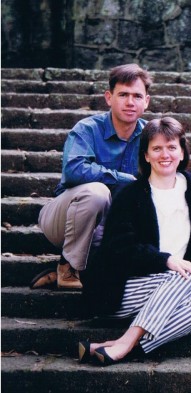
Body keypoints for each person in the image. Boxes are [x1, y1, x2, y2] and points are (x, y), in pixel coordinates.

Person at [78, 117, 191, 365]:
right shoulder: (130, 193)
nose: (165, 154)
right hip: (122, 288)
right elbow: (118, 249)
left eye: (172, 147)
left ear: (182, 152)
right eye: (157, 148)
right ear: (146, 155)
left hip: (172, 290)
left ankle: (117, 347)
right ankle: (126, 343)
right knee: (181, 275)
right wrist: (167, 261)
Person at [32, 64, 152, 290]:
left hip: (112, 227)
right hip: (65, 218)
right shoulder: (87, 129)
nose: (130, 102)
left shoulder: (151, 135)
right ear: (109, 97)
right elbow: (74, 170)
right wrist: (125, 179)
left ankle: (85, 269)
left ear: (146, 101)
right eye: (123, 95)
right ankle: (68, 267)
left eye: (137, 96)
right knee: (97, 192)